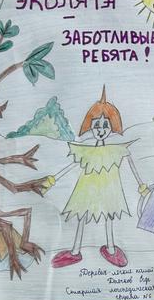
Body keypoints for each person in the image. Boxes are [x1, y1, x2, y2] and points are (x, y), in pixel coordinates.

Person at [47, 86, 146, 268]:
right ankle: (75, 252)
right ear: (90, 126)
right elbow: (74, 164)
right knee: (82, 216)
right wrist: (54, 178)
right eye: (97, 125)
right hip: (87, 188)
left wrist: (141, 185)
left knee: (109, 215)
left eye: (105, 125)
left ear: (112, 127)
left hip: (109, 188)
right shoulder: (87, 151)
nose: (101, 129)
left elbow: (130, 162)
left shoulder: (117, 150)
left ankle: (111, 249)